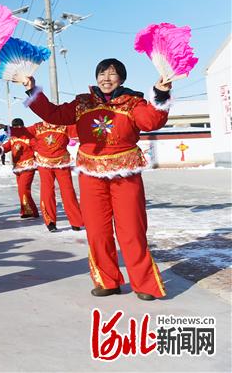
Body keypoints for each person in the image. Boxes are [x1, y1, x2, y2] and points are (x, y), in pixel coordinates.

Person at [23, 58, 172, 300]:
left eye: (112, 74)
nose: (106, 78)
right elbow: (54, 113)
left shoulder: (133, 102)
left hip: (125, 173)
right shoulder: (83, 103)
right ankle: (107, 280)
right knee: (96, 230)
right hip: (91, 174)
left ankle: (144, 284)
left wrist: (162, 93)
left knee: (132, 230)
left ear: (121, 78)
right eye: (102, 73)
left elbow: (151, 121)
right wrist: (31, 88)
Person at [28, 121, 83, 232]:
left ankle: (51, 222)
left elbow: (27, 136)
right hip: (59, 161)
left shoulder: (38, 127)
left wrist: (39, 148)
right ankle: (75, 222)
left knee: (50, 190)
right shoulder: (64, 125)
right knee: (66, 190)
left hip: (48, 162)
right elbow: (79, 129)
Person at [0, 119, 40, 219]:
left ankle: (33, 211)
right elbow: (5, 148)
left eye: (18, 127)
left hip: (28, 166)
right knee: (21, 191)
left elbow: (38, 147)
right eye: (15, 127)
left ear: (22, 127)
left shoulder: (29, 137)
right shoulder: (12, 138)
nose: (17, 129)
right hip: (18, 168)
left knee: (23, 189)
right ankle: (26, 211)